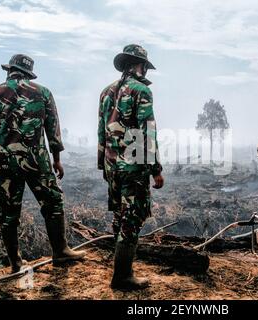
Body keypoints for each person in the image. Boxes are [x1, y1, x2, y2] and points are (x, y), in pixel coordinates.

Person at [0, 54, 85, 273]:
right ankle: (61, 251)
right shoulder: (43, 92)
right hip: (37, 159)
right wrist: (57, 160)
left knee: (7, 212)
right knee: (53, 202)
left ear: (10, 71)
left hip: (4, 160)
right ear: (28, 73)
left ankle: (15, 264)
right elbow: (53, 130)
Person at [98, 44, 164, 290]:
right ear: (141, 66)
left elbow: (100, 131)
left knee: (119, 215)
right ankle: (123, 277)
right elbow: (147, 133)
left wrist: (103, 164)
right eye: (145, 67)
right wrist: (156, 169)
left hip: (111, 165)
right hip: (133, 166)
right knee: (132, 218)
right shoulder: (141, 91)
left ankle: (123, 272)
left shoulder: (106, 91)